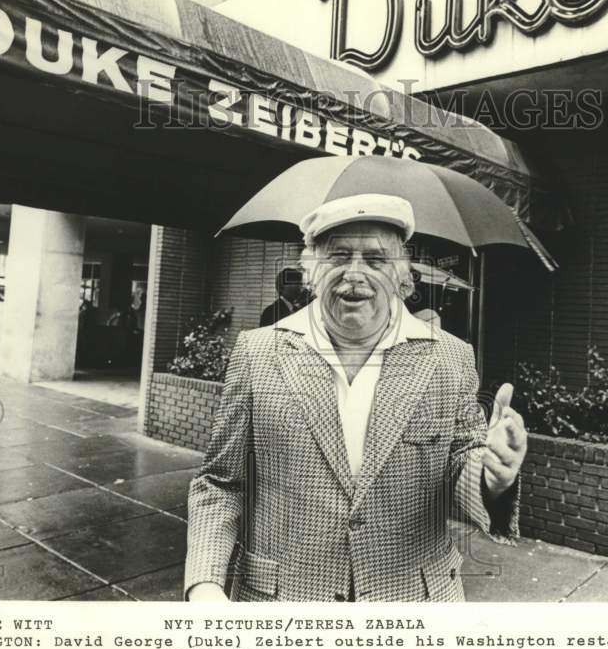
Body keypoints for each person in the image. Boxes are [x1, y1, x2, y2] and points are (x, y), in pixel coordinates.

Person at [184, 194, 528, 602]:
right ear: (311, 271)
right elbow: (221, 482)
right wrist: (204, 583)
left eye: (376, 260)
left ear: (402, 275)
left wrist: (492, 478)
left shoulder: (449, 356)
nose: (355, 273)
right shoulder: (258, 352)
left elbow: (459, 463)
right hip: (282, 607)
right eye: (339, 256)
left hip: (413, 607)